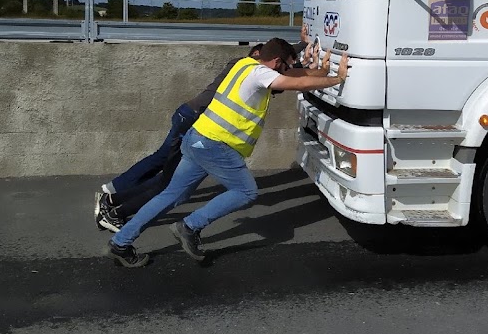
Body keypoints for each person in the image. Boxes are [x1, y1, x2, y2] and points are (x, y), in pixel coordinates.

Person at [106, 37, 348, 267]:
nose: (286, 69)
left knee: (171, 195)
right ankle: (189, 226)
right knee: (246, 191)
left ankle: (121, 242)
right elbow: (293, 82)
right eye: (285, 65)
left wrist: (322, 72)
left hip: (197, 138)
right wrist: (336, 79)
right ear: (276, 62)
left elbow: (295, 75)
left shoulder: (244, 64)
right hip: (215, 144)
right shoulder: (261, 73)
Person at [95, 25, 310, 232]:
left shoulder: (250, 67)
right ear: (257, 54)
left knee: (163, 167)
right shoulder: (247, 67)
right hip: (196, 120)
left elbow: (281, 65)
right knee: (166, 180)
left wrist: (300, 46)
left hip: (191, 116)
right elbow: (281, 72)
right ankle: (114, 209)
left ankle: (113, 197)